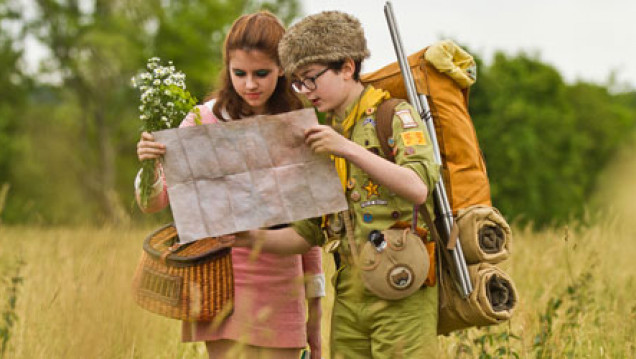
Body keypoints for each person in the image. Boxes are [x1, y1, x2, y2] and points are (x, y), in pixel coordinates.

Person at [225, 11, 441, 358]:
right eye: (298, 82)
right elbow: (305, 234)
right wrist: (247, 238)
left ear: (346, 68)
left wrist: (346, 149)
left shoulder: (393, 115)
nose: (305, 91)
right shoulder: (320, 136)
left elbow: (417, 187)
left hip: (402, 283)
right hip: (351, 293)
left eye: (311, 78)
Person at [134, 11, 324, 359]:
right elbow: (155, 202)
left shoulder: (298, 129)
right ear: (228, 69)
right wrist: (150, 166)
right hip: (218, 282)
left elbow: (310, 237)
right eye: (240, 74)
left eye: (261, 73)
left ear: (282, 68)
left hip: (281, 284)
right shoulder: (202, 119)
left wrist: (315, 315)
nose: (249, 84)